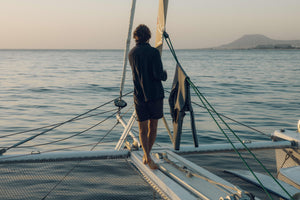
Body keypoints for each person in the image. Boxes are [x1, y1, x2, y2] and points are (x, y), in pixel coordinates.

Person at [128, 24, 167, 170]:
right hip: (155, 94)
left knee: (142, 128)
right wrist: (165, 74)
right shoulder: (154, 52)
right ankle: (147, 155)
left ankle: (147, 155)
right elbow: (158, 75)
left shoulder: (131, 53)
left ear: (135, 36)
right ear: (149, 36)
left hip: (139, 95)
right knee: (153, 126)